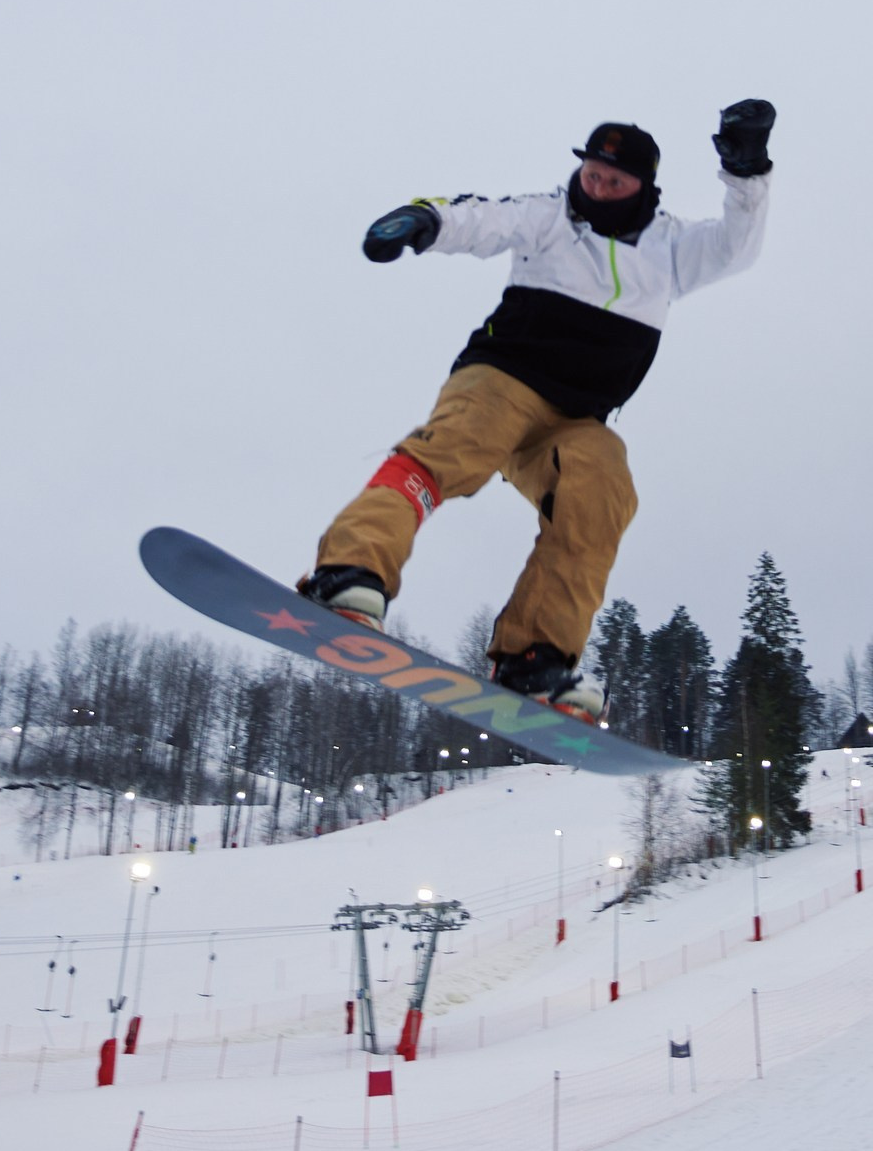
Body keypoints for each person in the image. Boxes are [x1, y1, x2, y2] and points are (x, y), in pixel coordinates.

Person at [296, 104, 777, 718]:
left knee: (603, 490)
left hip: (578, 421)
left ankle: (534, 657)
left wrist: (746, 171)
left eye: (615, 180)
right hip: (503, 380)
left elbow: (740, 246)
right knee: (453, 449)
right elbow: (479, 219)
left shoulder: (674, 248)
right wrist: (423, 220)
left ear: (643, 188)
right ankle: (350, 572)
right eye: (592, 173)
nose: (598, 186)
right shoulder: (550, 215)